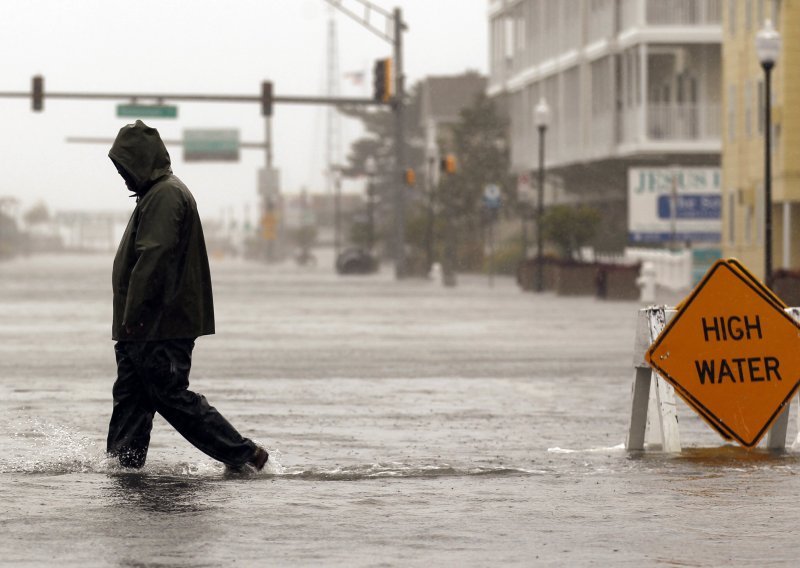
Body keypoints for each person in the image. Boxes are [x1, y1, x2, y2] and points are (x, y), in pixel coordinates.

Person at [105, 120, 268, 471]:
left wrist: (133, 318)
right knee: (132, 399)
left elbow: (154, 259)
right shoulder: (157, 194)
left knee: (169, 394)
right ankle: (122, 468)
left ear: (140, 161)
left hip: (158, 325)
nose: (122, 175)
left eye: (125, 166)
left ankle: (245, 455)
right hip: (146, 325)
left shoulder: (165, 195)